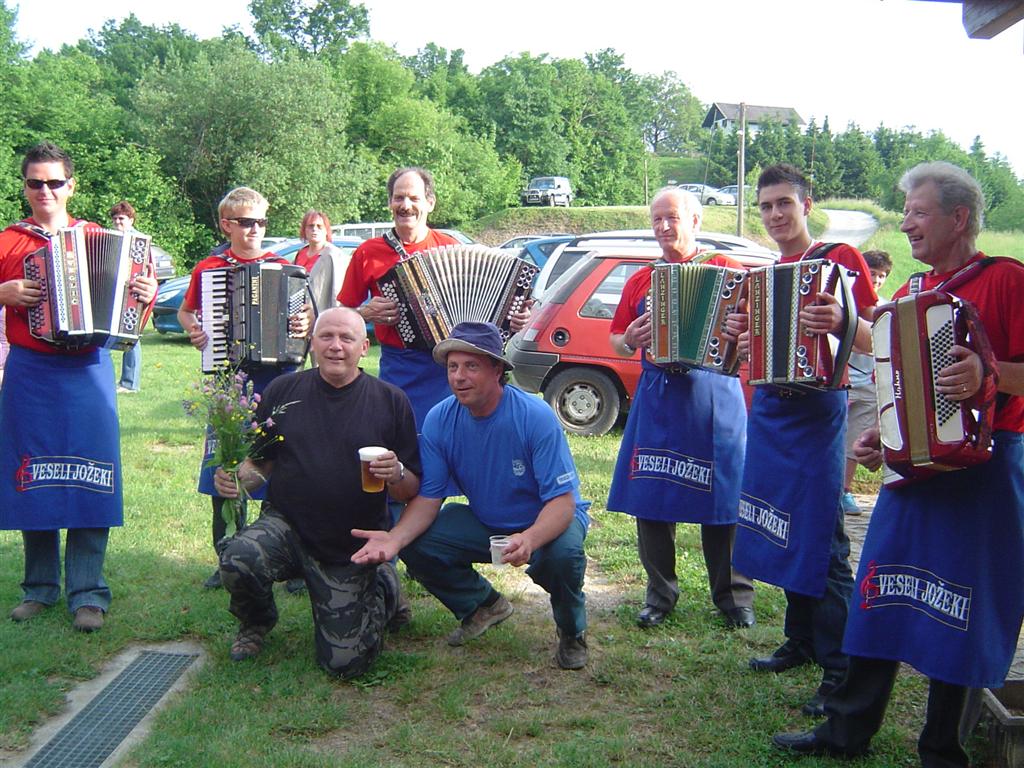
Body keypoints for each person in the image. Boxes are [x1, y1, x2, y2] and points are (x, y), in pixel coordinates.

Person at [774, 161, 1024, 766]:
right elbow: (898, 380)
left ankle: (942, 749)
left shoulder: (1007, 280)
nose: (907, 223)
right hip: (912, 470)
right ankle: (845, 731)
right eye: (906, 212)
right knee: (878, 591)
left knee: (960, 609)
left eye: (918, 212)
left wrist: (989, 372)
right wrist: (879, 438)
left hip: (987, 470)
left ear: (958, 218)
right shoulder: (914, 291)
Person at [726, 164, 878, 717]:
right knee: (783, 528)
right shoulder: (767, 274)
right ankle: (803, 640)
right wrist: (742, 339)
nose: (774, 215)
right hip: (772, 410)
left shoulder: (840, 259)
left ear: (806, 205)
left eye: (784, 203)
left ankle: (839, 668)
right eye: (766, 206)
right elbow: (746, 355)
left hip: (817, 412)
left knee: (823, 537)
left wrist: (842, 321)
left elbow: (876, 339)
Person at [351, 322, 590, 670]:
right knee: (417, 542)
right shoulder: (439, 419)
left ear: (497, 370)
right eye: (452, 367)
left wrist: (529, 539)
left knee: (563, 557)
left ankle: (572, 631)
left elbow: (563, 503)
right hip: (488, 521)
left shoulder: (535, 417)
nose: (459, 377)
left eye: (471, 366)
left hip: (549, 520)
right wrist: (394, 539)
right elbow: (428, 498)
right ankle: (482, 605)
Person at [0, 141, 157, 632]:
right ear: (25, 186)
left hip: (88, 367)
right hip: (30, 372)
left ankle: (88, 593)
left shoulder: (97, 237)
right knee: (33, 476)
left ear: (71, 186)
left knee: (94, 475)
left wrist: (146, 293)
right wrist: (1, 293)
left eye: (54, 182)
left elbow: (132, 308)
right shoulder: (7, 242)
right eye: (35, 182)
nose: (44, 191)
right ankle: (39, 588)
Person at [213, 307, 420, 676]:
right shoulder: (283, 391)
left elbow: (410, 491)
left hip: (350, 542)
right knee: (238, 557)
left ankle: (384, 587)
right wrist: (237, 480)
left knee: (345, 664)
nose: (335, 346)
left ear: (364, 348)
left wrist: (397, 473)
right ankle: (256, 621)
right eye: (326, 336)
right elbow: (260, 465)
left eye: (346, 338)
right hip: (286, 526)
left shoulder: (390, 401)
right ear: (312, 344)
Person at [606, 187, 755, 630]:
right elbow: (616, 339)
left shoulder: (730, 271)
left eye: (672, 217)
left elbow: (755, 331)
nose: (663, 226)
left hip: (715, 393)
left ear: (695, 221)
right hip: (659, 393)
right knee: (652, 495)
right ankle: (659, 595)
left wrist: (741, 328)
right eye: (657, 219)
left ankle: (733, 597)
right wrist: (629, 339)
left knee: (724, 495)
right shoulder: (640, 279)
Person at [177, 186, 310, 590]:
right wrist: (195, 330)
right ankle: (227, 556)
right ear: (226, 225)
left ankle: (288, 558)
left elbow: (305, 318)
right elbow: (185, 311)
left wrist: (303, 323)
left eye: (261, 222)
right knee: (226, 465)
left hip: (277, 379)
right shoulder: (210, 268)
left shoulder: (284, 267)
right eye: (246, 222)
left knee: (282, 467)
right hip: (230, 379)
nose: (255, 229)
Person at [338, 167, 529, 431]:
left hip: (451, 369)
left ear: (430, 203)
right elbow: (343, 314)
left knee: (453, 437)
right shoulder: (368, 252)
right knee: (402, 435)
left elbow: (482, 306)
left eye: (414, 198)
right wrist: (364, 313)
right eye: (399, 198)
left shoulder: (451, 248)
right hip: (400, 366)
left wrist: (512, 319)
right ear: (390, 202)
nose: (406, 205)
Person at [840, 250, 892, 516]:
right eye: (872, 274)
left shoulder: (884, 306)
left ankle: (845, 490)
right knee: (835, 435)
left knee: (856, 439)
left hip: (870, 383)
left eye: (882, 276)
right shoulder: (846, 301)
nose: (877, 280)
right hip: (845, 380)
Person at [110, 201, 143, 394]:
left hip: (133, 294)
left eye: (121, 218)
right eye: (114, 219)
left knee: (132, 337)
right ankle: (121, 380)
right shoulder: (111, 238)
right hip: (113, 293)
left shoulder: (139, 241)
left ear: (131, 220)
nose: (117, 222)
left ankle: (130, 383)